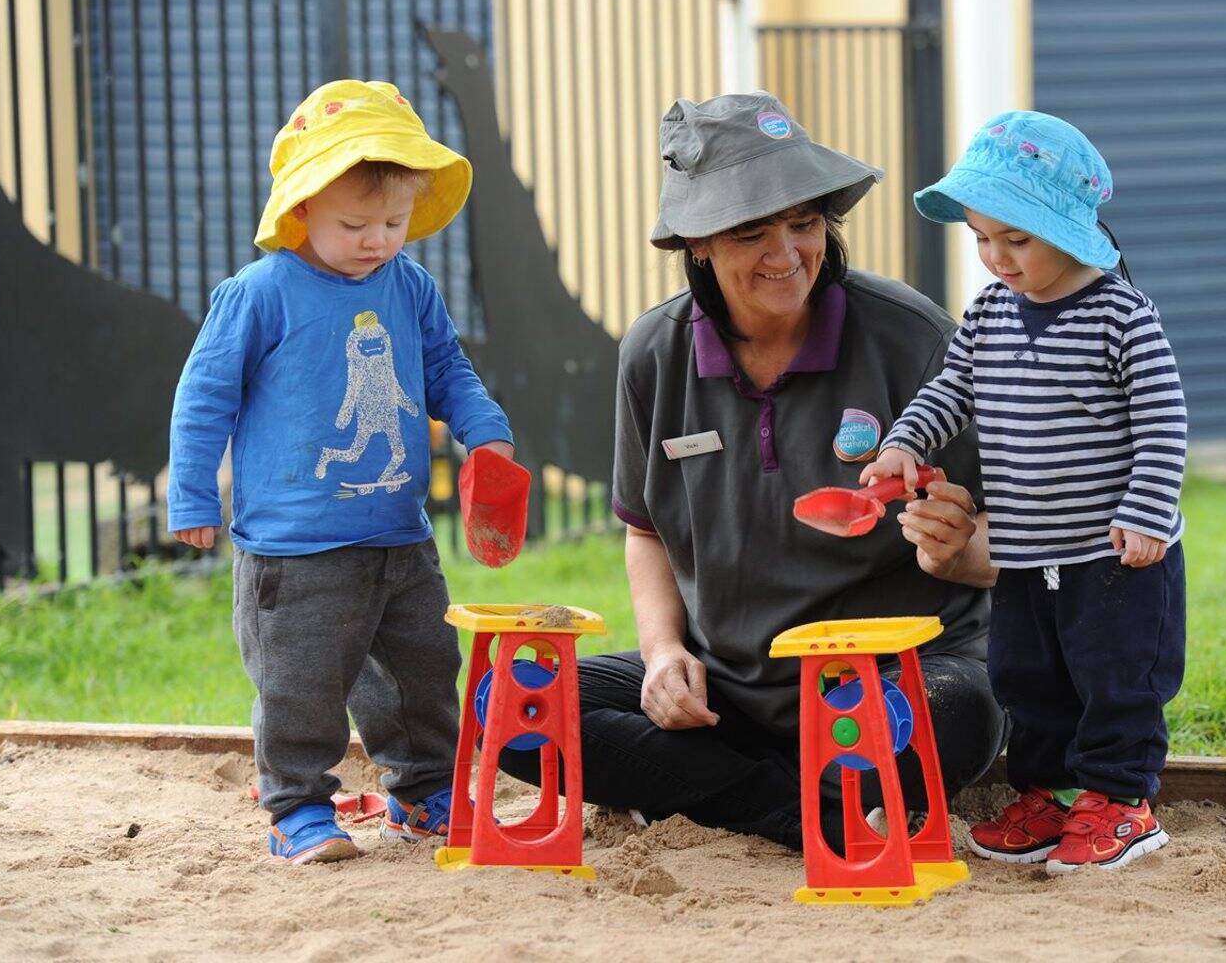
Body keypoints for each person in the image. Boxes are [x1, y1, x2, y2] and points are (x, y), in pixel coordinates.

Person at [499, 92, 1005, 848]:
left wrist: (956, 549)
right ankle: (807, 812)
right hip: (729, 687)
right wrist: (664, 653)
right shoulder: (653, 353)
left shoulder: (913, 338)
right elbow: (645, 531)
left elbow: (1014, 543)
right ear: (695, 243)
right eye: (750, 231)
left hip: (892, 681)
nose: (786, 253)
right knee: (512, 706)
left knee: (959, 713)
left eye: (804, 223)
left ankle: (731, 794)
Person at [167, 80, 515, 864]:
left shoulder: (410, 287)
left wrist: (485, 434)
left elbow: (448, 371)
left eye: (395, 223)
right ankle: (296, 808)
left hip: (398, 532)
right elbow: (204, 396)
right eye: (355, 224)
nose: (378, 241)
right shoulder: (258, 296)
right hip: (294, 547)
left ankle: (424, 795)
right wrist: (192, 491)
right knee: (301, 684)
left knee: (423, 671)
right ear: (301, 213)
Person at [861, 110, 1187, 874]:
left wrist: (1145, 513)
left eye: (1016, 239)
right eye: (981, 237)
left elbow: (1164, 420)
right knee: (1028, 677)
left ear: (1069, 230)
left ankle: (1121, 804)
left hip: (1113, 554)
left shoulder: (1121, 315)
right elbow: (952, 389)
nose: (995, 257)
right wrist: (905, 441)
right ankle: (1045, 794)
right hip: (1024, 551)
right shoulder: (990, 314)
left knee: (1117, 679)